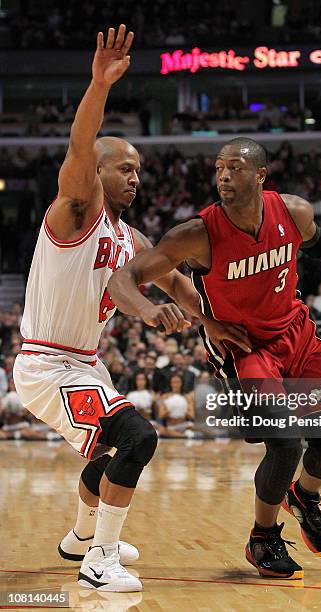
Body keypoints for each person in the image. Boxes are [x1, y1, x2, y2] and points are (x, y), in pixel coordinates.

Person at [108, 136, 321, 580]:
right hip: (245, 349)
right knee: (284, 444)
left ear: (260, 175)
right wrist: (184, 316)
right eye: (219, 168)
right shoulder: (196, 234)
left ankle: (303, 497)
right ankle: (263, 537)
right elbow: (124, 277)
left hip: (296, 335)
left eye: (235, 168)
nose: (223, 175)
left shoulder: (293, 211)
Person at [13, 26, 250, 593]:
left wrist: (211, 322)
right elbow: (80, 147)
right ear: (96, 173)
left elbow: (177, 283)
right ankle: (101, 560)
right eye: (125, 168)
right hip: (47, 365)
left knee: (117, 444)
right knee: (139, 437)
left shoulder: (132, 238)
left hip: (83, 363)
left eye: (140, 170)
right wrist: (97, 85)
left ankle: (79, 538)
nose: (136, 177)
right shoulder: (74, 210)